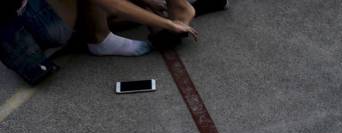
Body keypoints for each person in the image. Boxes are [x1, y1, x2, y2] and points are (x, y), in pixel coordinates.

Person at [0, 0, 198, 85]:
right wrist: (168, 24)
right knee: (110, 5)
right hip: (35, 28)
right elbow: (112, 4)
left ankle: (170, 11)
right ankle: (100, 39)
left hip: (31, 17)